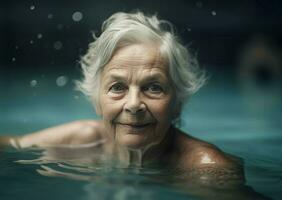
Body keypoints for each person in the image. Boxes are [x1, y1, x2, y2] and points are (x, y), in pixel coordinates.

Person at [2, 11, 243, 185]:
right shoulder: (81, 139)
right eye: (118, 87)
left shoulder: (208, 170)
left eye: (154, 87)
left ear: (178, 104)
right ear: (97, 101)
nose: (134, 104)